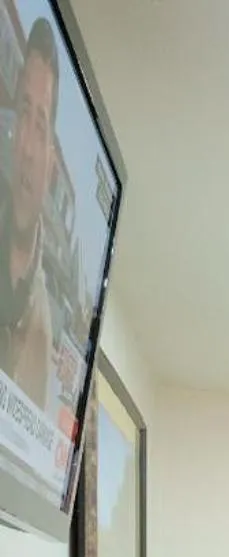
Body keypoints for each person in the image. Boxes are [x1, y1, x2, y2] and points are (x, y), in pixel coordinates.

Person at [0, 14, 58, 420]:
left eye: (41, 125)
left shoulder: (46, 329)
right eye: (24, 113)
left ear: (52, 161)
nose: (28, 147)